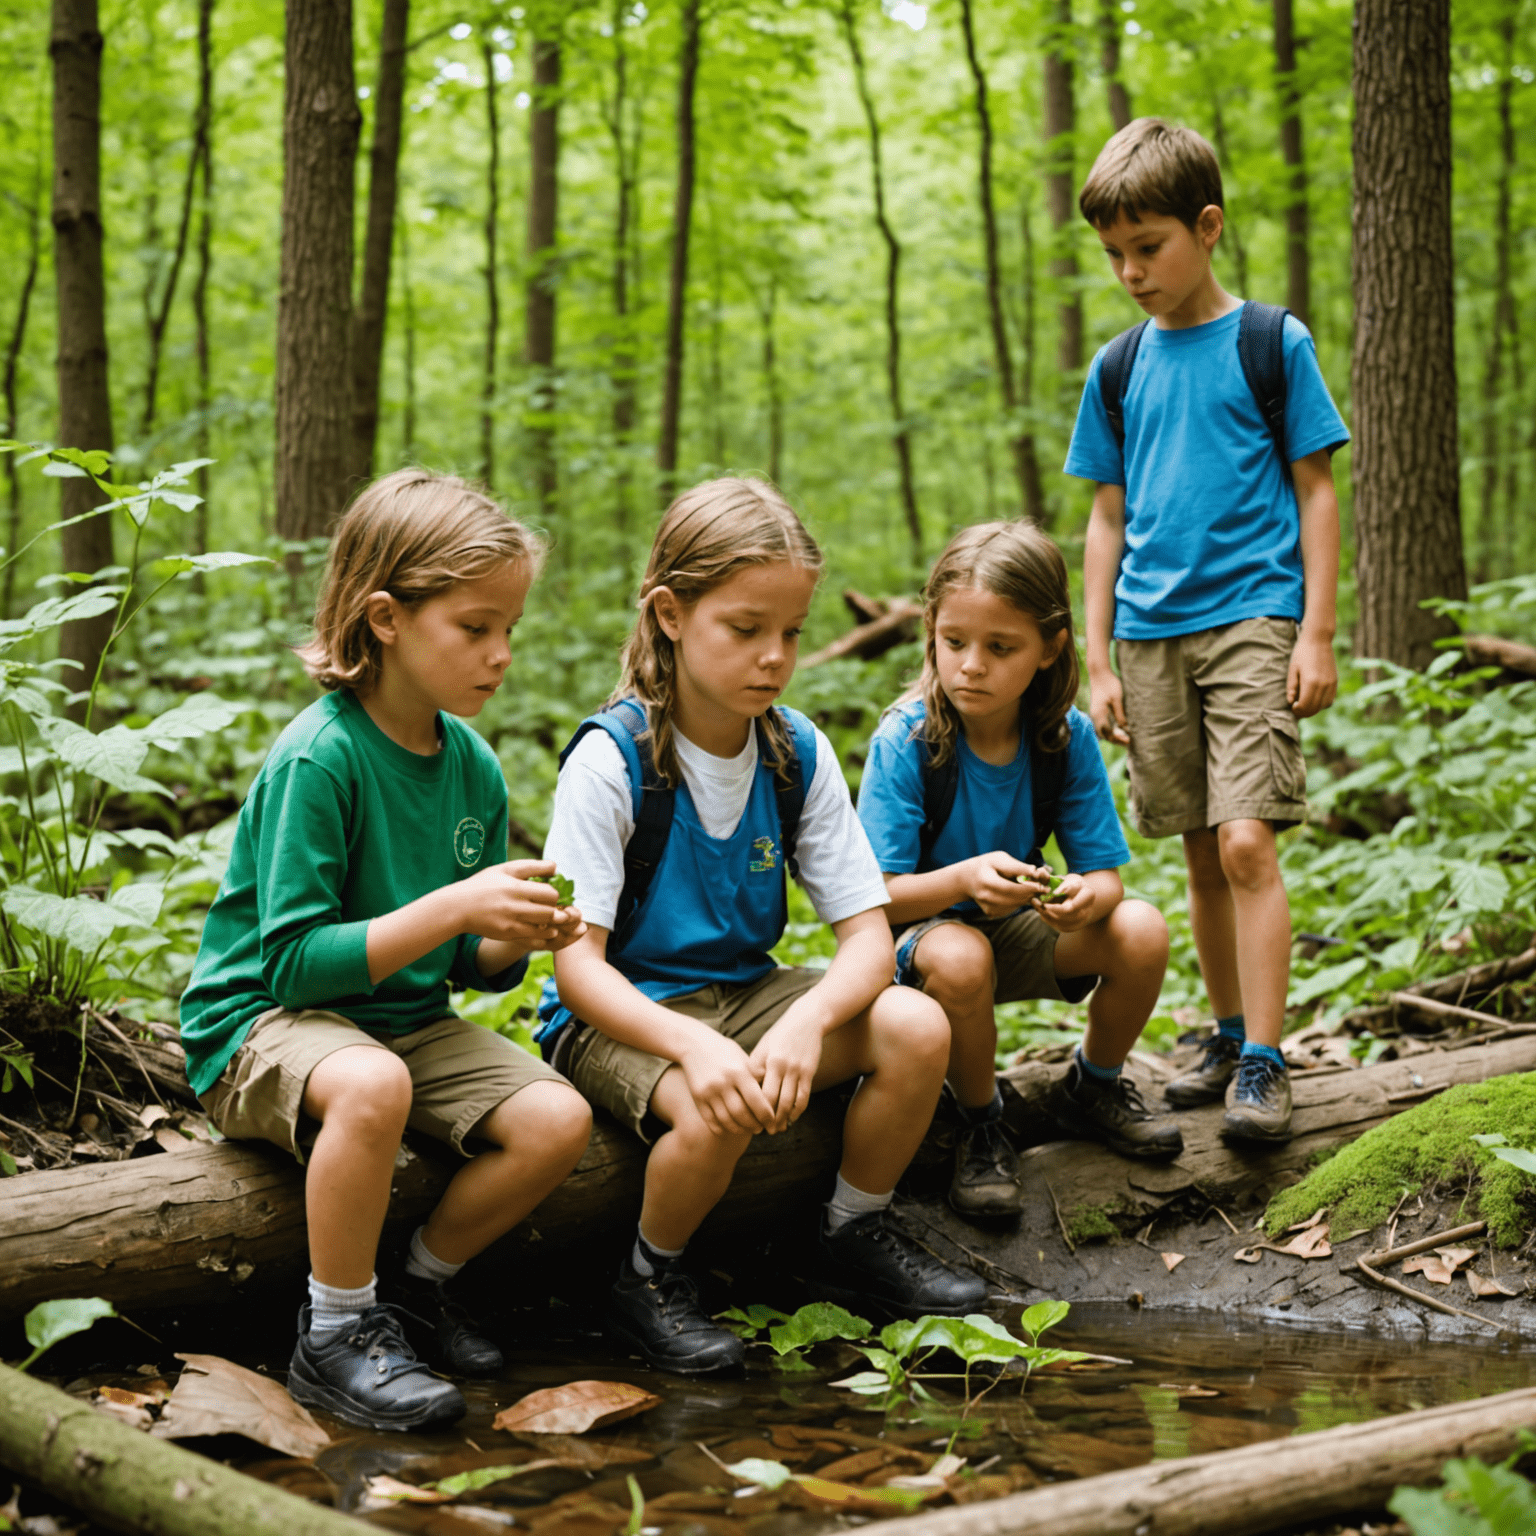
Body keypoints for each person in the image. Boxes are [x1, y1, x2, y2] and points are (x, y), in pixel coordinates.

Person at [539, 477, 985, 1376]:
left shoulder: (795, 751)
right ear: (669, 613)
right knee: (718, 1102)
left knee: (916, 1021)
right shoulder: (612, 759)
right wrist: (695, 1049)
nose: (774, 657)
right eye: (745, 630)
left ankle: (851, 1227)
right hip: (620, 1015)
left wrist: (809, 1021)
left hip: (746, 993)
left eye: (791, 632)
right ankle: (647, 1278)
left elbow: (866, 935)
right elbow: (578, 968)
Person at [179, 469, 593, 1432]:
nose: (499, 655)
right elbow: (288, 963)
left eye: (510, 631)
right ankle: (334, 1333)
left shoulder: (472, 765)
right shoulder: (320, 757)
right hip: (264, 1027)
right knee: (371, 1087)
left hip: (400, 1023)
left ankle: (415, 1286)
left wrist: (502, 937)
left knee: (553, 1120)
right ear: (385, 617)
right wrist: (455, 906)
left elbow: (460, 966)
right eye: (474, 627)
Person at [1067, 119, 1349, 1142]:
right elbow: (1106, 515)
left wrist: (1315, 632)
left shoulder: (1271, 342)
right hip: (1149, 636)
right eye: (1115, 255)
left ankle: (1269, 1064)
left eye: (1150, 248)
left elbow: (1317, 490)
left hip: (1253, 621)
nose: (1131, 272)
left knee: (1245, 842)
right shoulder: (1118, 365)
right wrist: (1094, 659)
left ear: (1209, 227)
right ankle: (1229, 1035)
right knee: (1195, 848)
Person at [857, 522, 1177, 1220]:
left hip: (1019, 927)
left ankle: (1092, 1085)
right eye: (954, 643)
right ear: (931, 634)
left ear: (1049, 648)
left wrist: (1083, 901)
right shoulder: (906, 741)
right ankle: (981, 1123)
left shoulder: (1063, 737)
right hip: (922, 947)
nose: (971, 665)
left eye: (1000, 648)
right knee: (961, 954)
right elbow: (873, 900)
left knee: (1142, 930)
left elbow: (1106, 878)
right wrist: (963, 882)